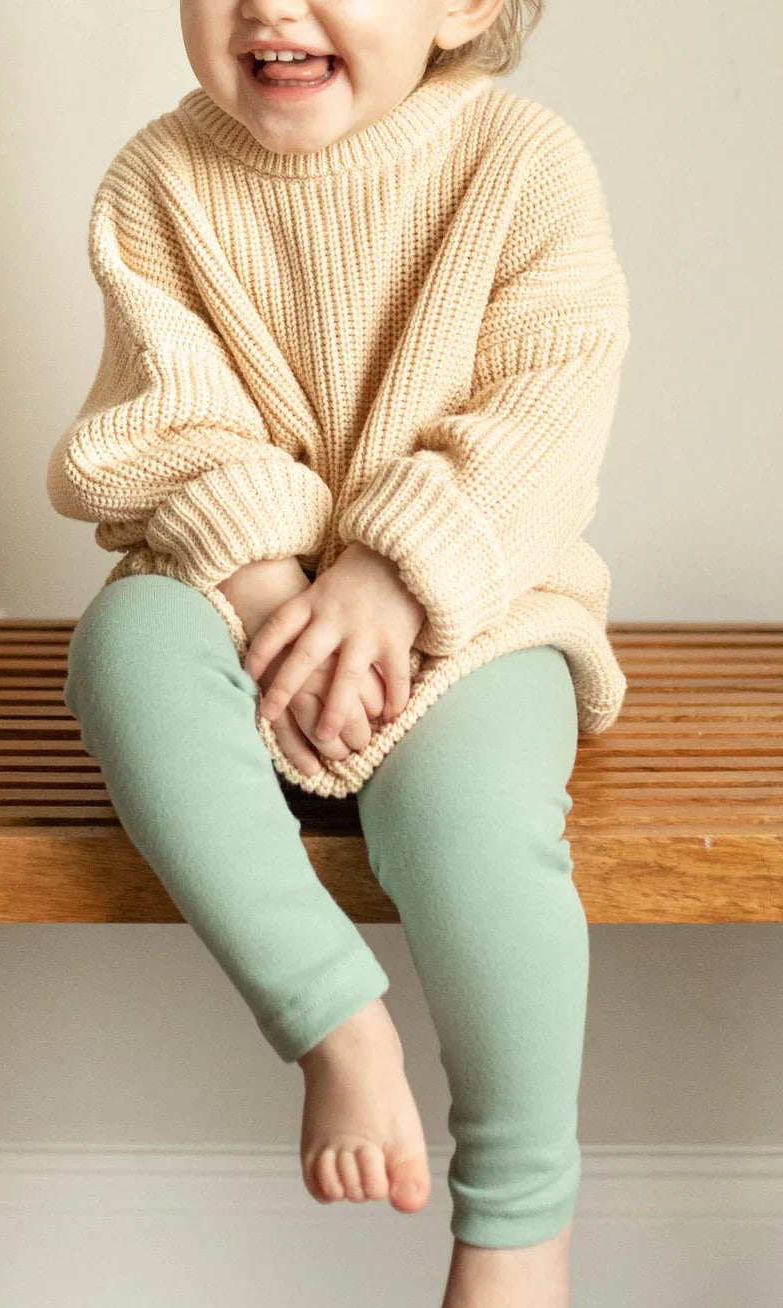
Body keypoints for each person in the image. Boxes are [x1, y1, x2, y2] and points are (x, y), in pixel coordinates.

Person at [47, 1, 630, 1303]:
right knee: (122, 649)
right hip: (240, 599)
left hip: (478, 611)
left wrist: (391, 576)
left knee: (469, 817)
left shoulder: (521, 165)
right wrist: (275, 596)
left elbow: (547, 403)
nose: (269, 2)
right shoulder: (159, 177)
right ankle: (335, 1020)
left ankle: (521, 1216)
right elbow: (166, 420)